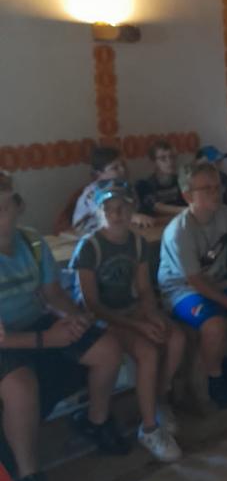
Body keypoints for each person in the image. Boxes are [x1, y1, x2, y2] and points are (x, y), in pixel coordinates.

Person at [0, 173, 127, 481]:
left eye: (5, 207)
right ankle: (29, 476)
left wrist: (73, 318)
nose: (1, 217)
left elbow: (52, 294)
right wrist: (48, 339)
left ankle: (96, 420)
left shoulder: (31, 241)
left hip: (36, 322)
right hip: (7, 338)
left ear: (18, 206)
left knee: (107, 348)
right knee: (20, 386)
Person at [70, 180, 185, 462]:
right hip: (102, 319)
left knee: (176, 337)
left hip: (130, 310)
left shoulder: (137, 242)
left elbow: (144, 289)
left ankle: (159, 398)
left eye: (121, 207)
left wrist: (152, 315)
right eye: (108, 208)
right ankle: (149, 428)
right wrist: (138, 326)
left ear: (131, 209)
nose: (116, 214)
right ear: (98, 213)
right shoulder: (90, 247)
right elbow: (91, 304)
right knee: (147, 352)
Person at [157, 160, 227, 409]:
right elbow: (195, 281)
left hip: (218, 281)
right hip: (182, 289)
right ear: (188, 195)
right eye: (206, 188)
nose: (215, 193)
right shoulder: (180, 231)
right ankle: (215, 378)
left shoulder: (226, 215)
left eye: (217, 187)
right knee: (214, 326)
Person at [71, 145, 153, 236]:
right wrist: (133, 217)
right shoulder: (93, 192)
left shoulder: (126, 187)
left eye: (123, 165)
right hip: (88, 234)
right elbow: (106, 214)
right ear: (99, 174)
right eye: (115, 168)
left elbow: (134, 207)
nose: (123, 170)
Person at [136, 140, 186, 217]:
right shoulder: (144, 185)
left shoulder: (181, 181)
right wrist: (187, 210)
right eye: (163, 158)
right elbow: (157, 207)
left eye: (172, 157)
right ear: (154, 162)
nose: (170, 161)